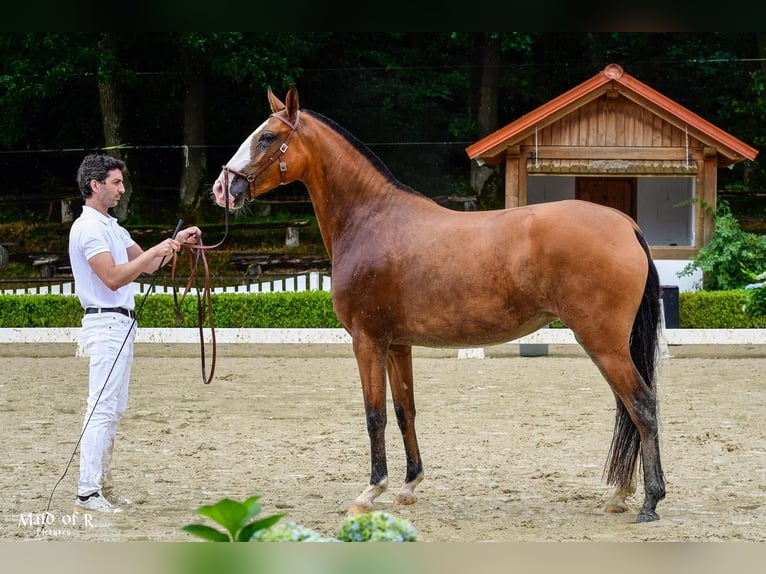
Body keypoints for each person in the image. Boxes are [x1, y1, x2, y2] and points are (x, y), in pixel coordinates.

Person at [68, 153, 201, 513]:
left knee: (113, 408)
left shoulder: (113, 227)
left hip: (122, 324)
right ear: (94, 186)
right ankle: (87, 490)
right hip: (105, 321)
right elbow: (113, 277)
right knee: (101, 407)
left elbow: (149, 265)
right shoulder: (88, 228)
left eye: (121, 183)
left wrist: (177, 243)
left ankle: (101, 485)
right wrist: (158, 249)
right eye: (115, 182)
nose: (122, 189)